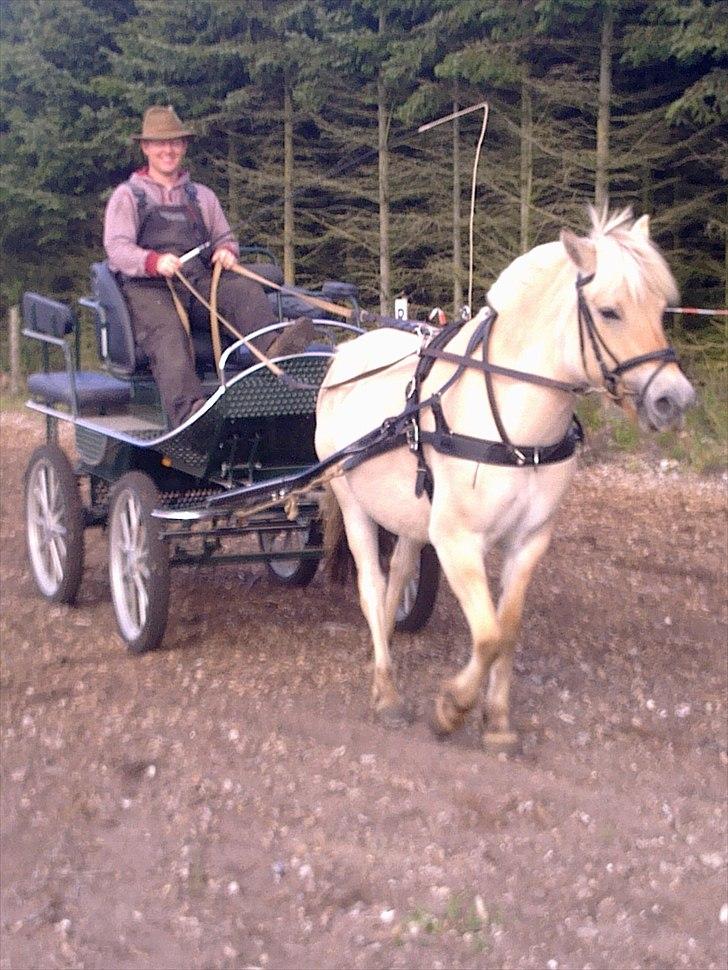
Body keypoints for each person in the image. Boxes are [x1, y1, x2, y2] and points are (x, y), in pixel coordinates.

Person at [104, 105, 313, 427]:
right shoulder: (128, 196)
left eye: (175, 143)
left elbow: (225, 238)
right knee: (169, 334)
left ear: (184, 147)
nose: (168, 150)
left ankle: (277, 353)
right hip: (149, 289)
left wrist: (227, 251)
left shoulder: (201, 196)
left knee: (244, 291)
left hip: (198, 280)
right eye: (160, 143)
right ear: (146, 148)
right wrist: (153, 261)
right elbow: (116, 249)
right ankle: (191, 416)